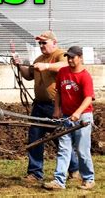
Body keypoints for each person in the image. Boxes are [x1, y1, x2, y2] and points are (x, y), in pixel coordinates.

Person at [13, 31, 79, 182]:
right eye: (40, 43)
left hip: (56, 105)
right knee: (35, 138)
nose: (41, 45)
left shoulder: (61, 54)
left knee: (61, 138)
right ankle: (35, 173)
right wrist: (19, 65)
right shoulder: (39, 59)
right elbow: (29, 75)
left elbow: (64, 65)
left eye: (44, 42)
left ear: (54, 43)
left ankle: (74, 169)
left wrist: (46, 66)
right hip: (39, 105)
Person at [43, 46, 95, 190]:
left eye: (73, 57)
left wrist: (78, 113)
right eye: (68, 57)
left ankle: (89, 179)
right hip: (66, 116)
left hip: (83, 117)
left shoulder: (85, 76)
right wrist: (57, 109)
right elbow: (58, 92)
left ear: (80, 58)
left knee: (82, 150)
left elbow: (88, 98)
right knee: (64, 149)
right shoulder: (63, 72)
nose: (70, 60)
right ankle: (59, 181)